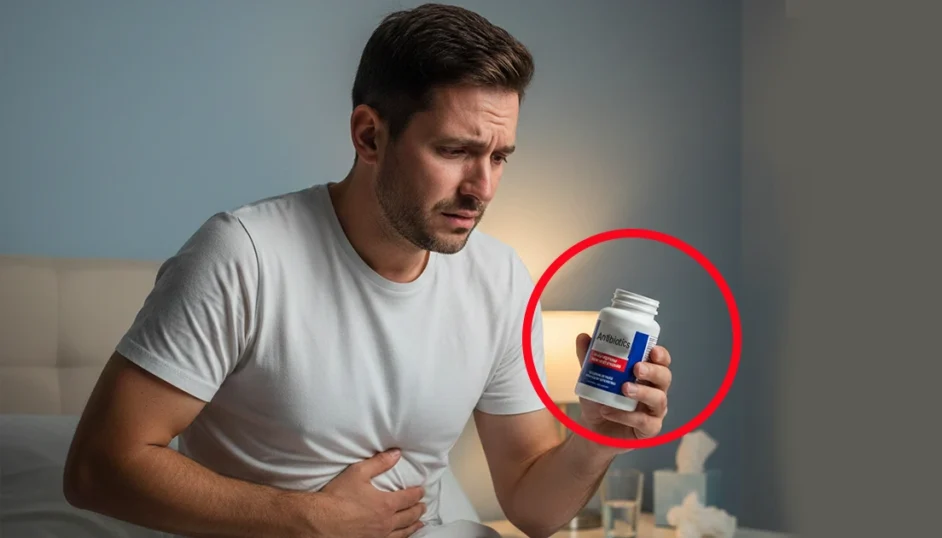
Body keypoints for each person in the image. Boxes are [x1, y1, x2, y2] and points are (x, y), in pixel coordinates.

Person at [63, 4, 673, 538]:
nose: (481, 188)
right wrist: (312, 520)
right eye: (454, 151)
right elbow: (98, 468)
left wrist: (601, 435)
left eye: (499, 157)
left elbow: (534, 508)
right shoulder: (243, 255)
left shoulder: (502, 281)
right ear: (368, 135)